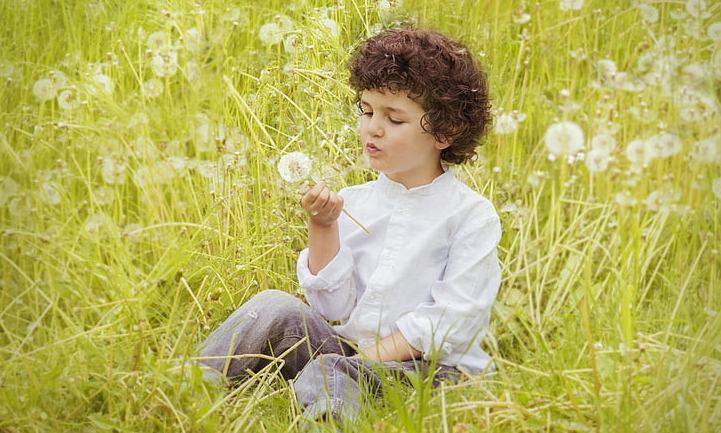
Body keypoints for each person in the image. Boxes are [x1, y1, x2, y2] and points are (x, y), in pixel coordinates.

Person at [197, 27, 501, 425]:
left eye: (394, 119)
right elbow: (333, 308)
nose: (372, 128)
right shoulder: (356, 202)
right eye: (367, 110)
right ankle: (189, 386)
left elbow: (449, 322)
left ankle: (327, 419)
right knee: (275, 306)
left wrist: (351, 362)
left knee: (333, 370)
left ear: (445, 133)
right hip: (354, 356)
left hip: (432, 371)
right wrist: (323, 225)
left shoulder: (470, 216)